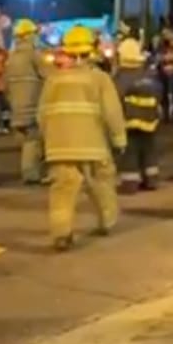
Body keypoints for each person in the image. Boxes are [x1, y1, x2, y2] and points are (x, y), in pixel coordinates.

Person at [37, 24, 127, 252]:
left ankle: (61, 234)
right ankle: (107, 221)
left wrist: (47, 140)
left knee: (63, 190)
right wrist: (119, 139)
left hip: (59, 146)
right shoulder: (99, 79)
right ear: (91, 52)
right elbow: (112, 113)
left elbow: (42, 115)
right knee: (101, 184)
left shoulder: (52, 80)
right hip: (93, 145)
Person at [114, 38, 162, 192]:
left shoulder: (122, 76)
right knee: (149, 148)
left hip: (130, 119)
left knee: (130, 150)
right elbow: (159, 93)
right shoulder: (149, 74)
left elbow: (116, 96)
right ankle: (151, 179)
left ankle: (130, 182)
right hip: (150, 119)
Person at [5, 18, 50, 184]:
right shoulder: (34, 55)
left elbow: (6, 85)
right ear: (29, 36)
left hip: (17, 106)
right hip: (33, 105)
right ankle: (31, 174)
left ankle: (30, 170)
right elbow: (49, 76)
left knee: (26, 140)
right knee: (33, 139)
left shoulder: (11, 58)